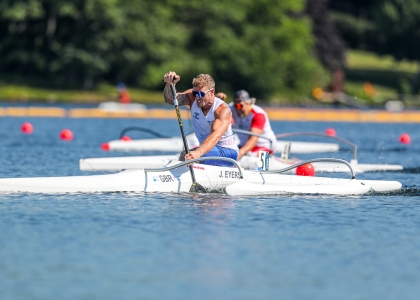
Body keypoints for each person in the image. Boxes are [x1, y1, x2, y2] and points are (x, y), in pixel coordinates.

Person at [163, 71, 238, 167]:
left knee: (188, 156)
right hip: (207, 150)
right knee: (185, 155)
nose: (197, 97)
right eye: (195, 93)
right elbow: (170, 99)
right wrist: (170, 84)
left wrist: (198, 153)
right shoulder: (192, 98)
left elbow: (216, 135)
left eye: (201, 94)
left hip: (227, 153)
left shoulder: (222, 110)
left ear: (212, 92)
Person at [230, 90, 277, 160]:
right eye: (235, 106)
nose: (237, 109)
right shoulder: (231, 108)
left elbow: (253, 140)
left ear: (249, 103)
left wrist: (240, 153)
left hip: (263, 145)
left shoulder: (259, 114)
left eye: (240, 106)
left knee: (248, 156)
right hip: (244, 145)